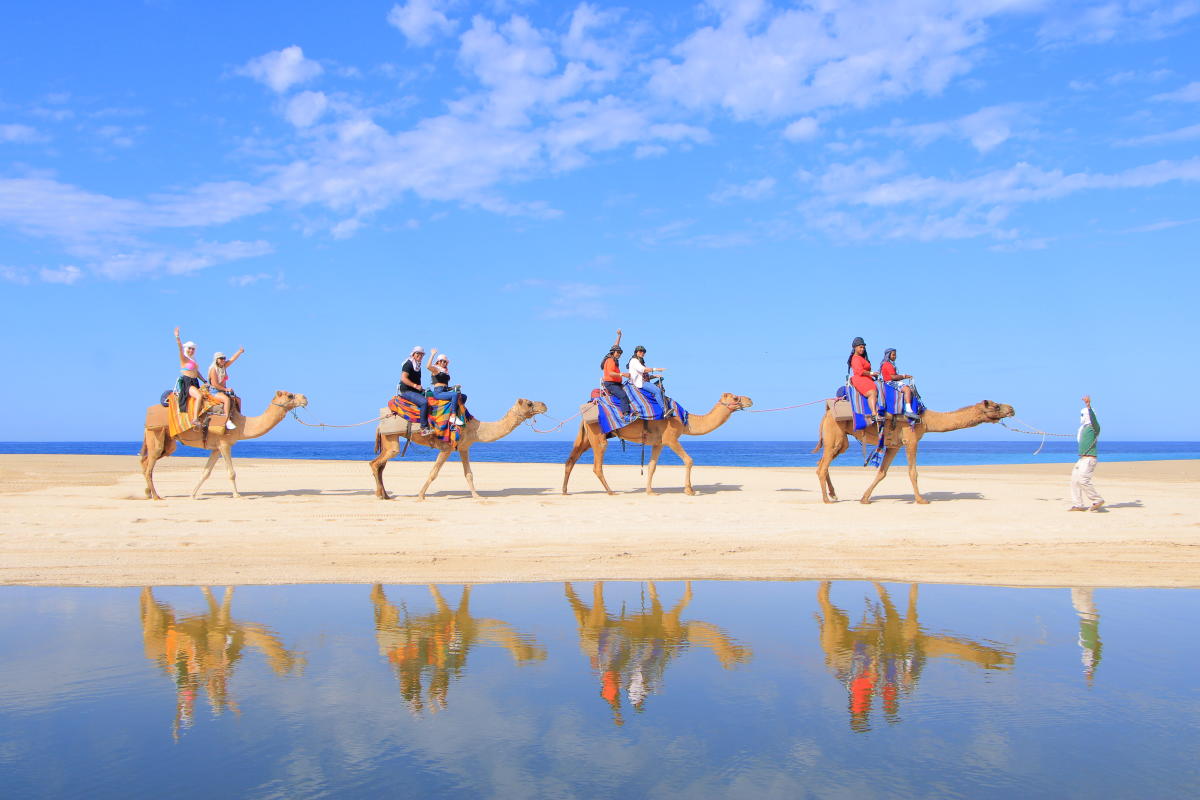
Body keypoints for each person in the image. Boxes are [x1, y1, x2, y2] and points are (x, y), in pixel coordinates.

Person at [1069, 395, 1104, 512]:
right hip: (1082, 459)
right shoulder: (1083, 428)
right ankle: (1078, 504)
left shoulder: (1094, 428)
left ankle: (1097, 500)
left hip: (1089, 459)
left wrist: (1088, 405)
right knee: (1074, 480)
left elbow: (1093, 419)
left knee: (1083, 480)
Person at [173, 327, 208, 426]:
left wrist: (204, 381)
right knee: (199, 396)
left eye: (193, 349)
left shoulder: (193, 360)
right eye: (189, 348)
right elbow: (180, 348)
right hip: (187, 382)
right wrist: (177, 337)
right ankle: (195, 419)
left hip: (195, 381)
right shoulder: (184, 358)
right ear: (186, 349)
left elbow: (197, 372)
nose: (191, 350)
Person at [396, 346, 432, 434]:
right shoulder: (408, 364)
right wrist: (415, 386)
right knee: (424, 402)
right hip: (406, 391)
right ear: (413, 354)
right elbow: (403, 378)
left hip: (415, 390)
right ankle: (423, 428)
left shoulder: (417, 365)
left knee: (432, 395)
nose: (420, 355)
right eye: (418, 353)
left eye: (421, 354)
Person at [207, 348, 244, 430]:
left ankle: (238, 417)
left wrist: (239, 352)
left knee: (238, 400)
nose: (223, 360)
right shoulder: (213, 370)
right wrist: (226, 389)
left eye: (224, 358)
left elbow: (232, 359)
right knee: (226, 400)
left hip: (222, 390)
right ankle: (227, 420)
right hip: (215, 391)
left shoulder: (223, 367)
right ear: (216, 359)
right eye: (221, 358)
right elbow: (215, 384)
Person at [847, 336, 881, 423]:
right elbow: (859, 371)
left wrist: (872, 375)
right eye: (860, 347)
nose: (862, 349)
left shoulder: (861, 358)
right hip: (860, 378)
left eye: (863, 347)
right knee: (871, 393)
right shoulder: (855, 359)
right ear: (855, 348)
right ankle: (874, 414)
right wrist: (871, 373)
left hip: (867, 377)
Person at [880, 347, 918, 420]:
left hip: (891, 381)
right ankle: (908, 410)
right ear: (888, 355)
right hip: (890, 382)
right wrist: (904, 376)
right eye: (893, 355)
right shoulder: (888, 365)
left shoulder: (889, 364)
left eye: (895, 355)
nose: (895, 356)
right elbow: (893, 377)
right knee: (907, 389)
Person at [426, 349, 467, 416]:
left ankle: (457, 412)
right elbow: (428, 366)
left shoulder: (445, 371)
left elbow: (446, 387)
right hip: (438, 392)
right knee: (454, 395)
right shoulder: (436, 370)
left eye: (444, 361)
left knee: (463, 396)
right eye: (441, 361)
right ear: (438, 362)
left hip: (445, 391)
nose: (443, 362)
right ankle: (453, 415)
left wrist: (454, 387)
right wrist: (432, 354)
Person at [627, 345, 667, 412]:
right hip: (640, 383)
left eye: (643, 352)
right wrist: (656, 369)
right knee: (657, 391)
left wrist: (655, 376)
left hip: (644, 381)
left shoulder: (640, 362)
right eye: (640, 351)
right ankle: (664, 410)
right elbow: (643, 370)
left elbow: (644, 375)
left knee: (660, 390)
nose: (642, 353)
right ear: (636, 352)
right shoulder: (634, 361)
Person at [601, 328, 631, 416]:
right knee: (623, 396)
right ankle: (626, 415)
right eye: (618, 353)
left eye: (620, 353)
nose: (619, 354)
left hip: (616, 383)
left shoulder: (613, 358)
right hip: (611, 384)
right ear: (613, 352)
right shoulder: (610, 360)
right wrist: (622, 374)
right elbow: (610, 373)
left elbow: (615, 345)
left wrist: (619, 336)